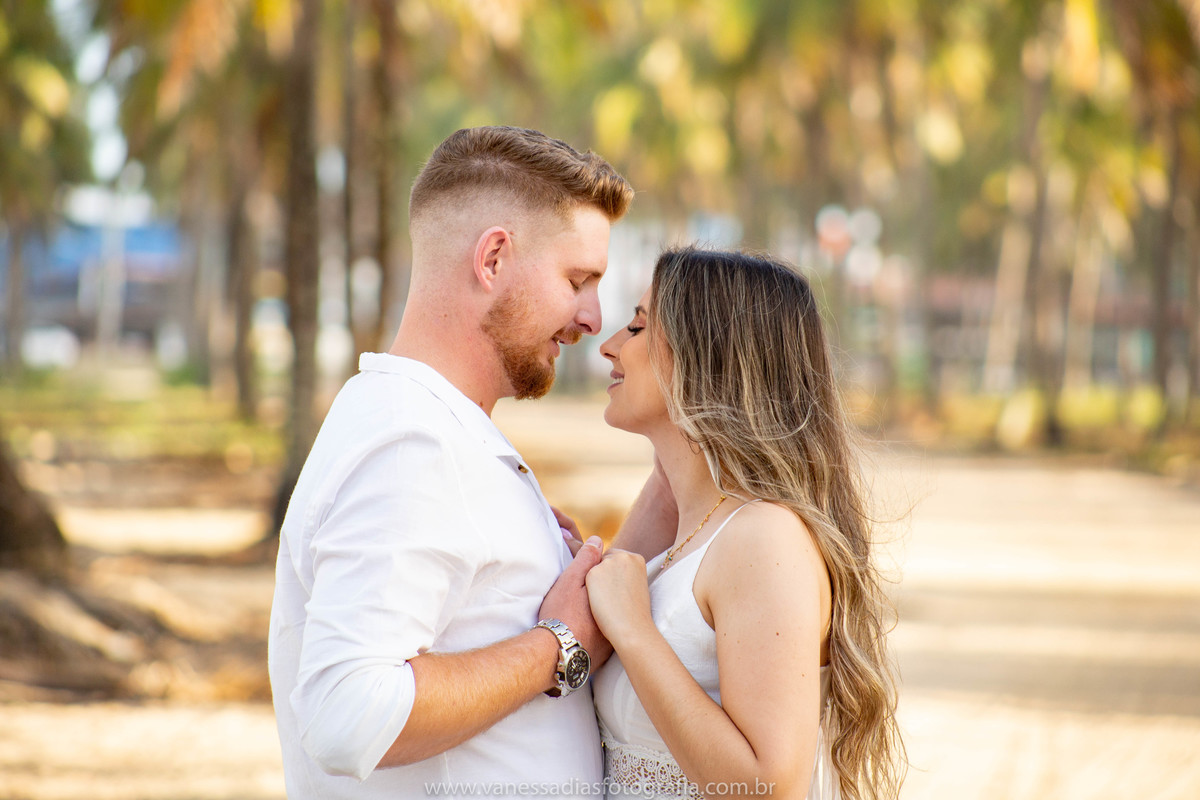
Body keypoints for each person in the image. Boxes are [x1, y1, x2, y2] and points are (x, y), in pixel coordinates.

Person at [267, 126, 633, 798]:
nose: (593, 317)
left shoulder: (431, 429)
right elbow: (349, 714)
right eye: (579, 279)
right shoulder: (412, 443)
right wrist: (559, 646)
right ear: (493, 258)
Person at [586, 247, 905, 800]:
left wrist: (635, 634)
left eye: (638, 326)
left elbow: (769, 786)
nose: (609, 345)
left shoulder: (764, 538)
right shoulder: (691, 532)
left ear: (704, 357)